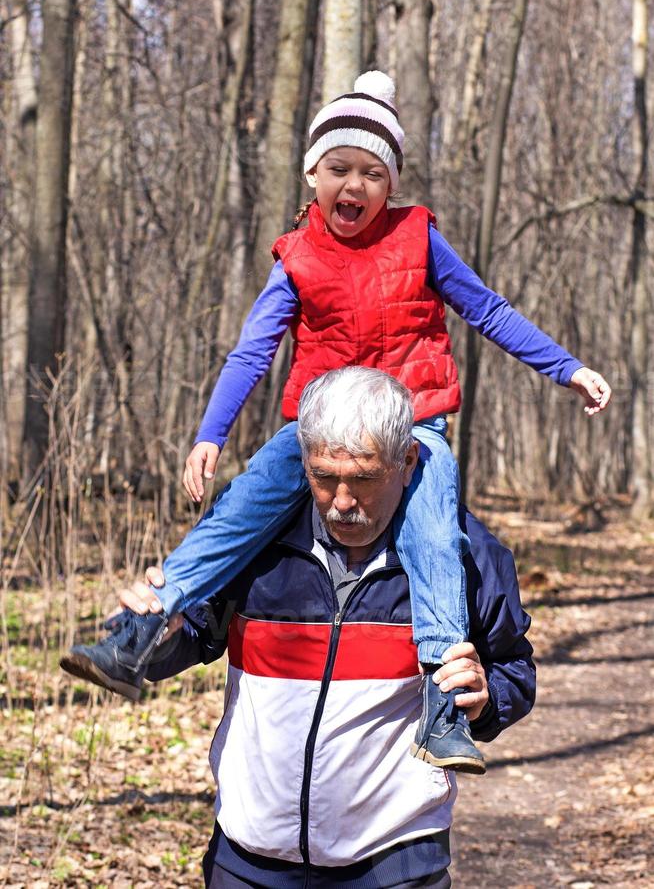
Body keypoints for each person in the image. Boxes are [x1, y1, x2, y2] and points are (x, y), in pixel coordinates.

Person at [61, 71, 607, 774]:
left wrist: (567, 368)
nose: (355, 185)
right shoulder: (299, 257)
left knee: (436, 538)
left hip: (412, 425)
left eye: (372, 173)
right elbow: (254, 346)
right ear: (313, 174)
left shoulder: (420, 239)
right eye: (340, 168)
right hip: (319, 426)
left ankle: (443, 711)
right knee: (240, 508)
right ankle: (137, 631)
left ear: (391, 182)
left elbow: (488, 309)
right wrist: (210, 433)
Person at [119, 368, 536, 888]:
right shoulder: (253, 542)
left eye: (363, 478)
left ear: (406, 462)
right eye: (323, 476)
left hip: (395, 864)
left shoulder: (464, 555)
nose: (342, 501)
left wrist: (484, 699)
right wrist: (161, 633)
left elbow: (514, 670)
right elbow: (195, 636)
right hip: (247, 858)